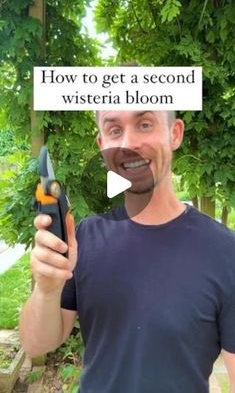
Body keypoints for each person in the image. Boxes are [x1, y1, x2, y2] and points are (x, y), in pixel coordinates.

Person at [20, 110, 235, 393]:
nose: (128, 143)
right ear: (102, 146)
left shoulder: (224, 251)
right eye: (114, 130)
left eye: (145, 124)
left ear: (175, 133)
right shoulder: (84, 237)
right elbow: (37, 343)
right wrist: (46, 290)